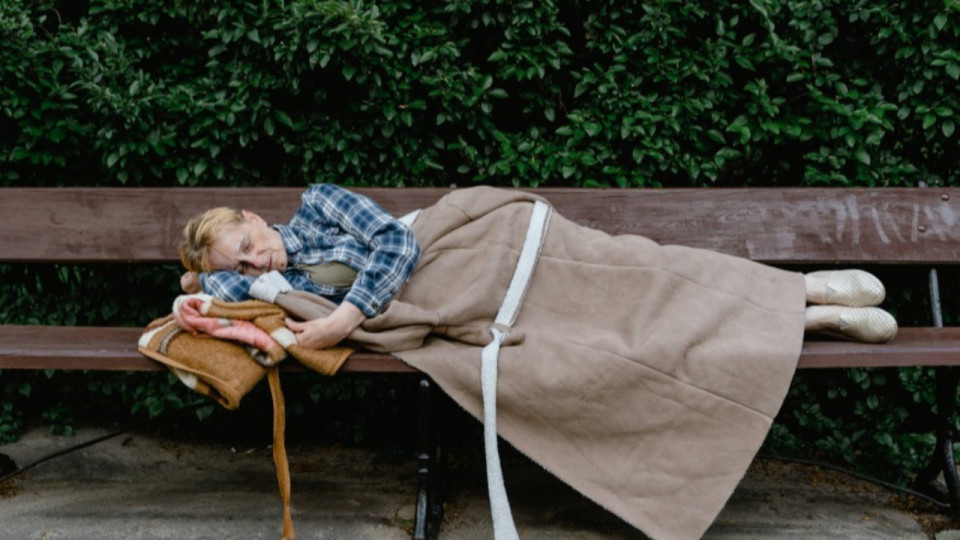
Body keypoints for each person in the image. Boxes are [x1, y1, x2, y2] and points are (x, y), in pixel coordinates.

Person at [178, 184, 897, 345]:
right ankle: (816, 317)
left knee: (636, 270)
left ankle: (797, 288)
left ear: (256, 218)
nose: (254, 262)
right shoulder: (273, 283)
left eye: (249, 244)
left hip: (489, 244)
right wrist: (202, 278)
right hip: (466, 299)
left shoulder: (320, 205)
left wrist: (344, 317)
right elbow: (215, 287)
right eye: (240, 265)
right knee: (623, 328)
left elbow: (400, 245)